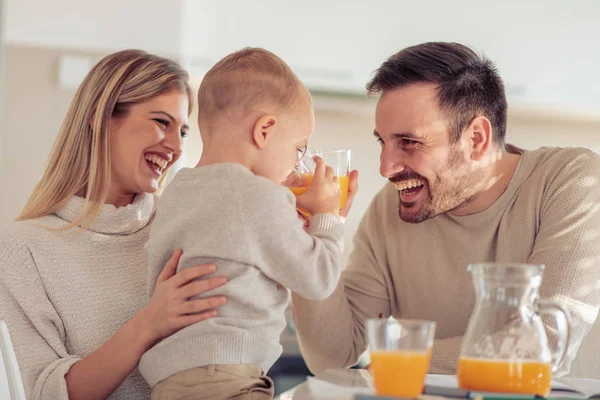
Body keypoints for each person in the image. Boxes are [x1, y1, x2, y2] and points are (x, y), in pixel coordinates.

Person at [292, 41, 600, 378]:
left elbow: (544, 345)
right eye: (383, 142)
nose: (385, 168)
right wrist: (310, 242)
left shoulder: (570, 180)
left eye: (409, 142)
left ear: (477, 139)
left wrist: (397, 355)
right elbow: (332, 357)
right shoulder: (388, 208)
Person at [0, 49, 229, 400]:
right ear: (101, 117)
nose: (175, 146)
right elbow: (40, 393)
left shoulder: (182, 227)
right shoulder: (22, 249)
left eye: (182, 131)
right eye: (161, 122)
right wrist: (149, 323)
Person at [139, 47, 352, 400]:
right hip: (228, 377)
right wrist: (330, 215)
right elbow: (319, 279)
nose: (296, 164)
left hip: (170, 381)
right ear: (265, 130)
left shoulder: (178, 191)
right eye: (299, 149)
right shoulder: (259, 196)